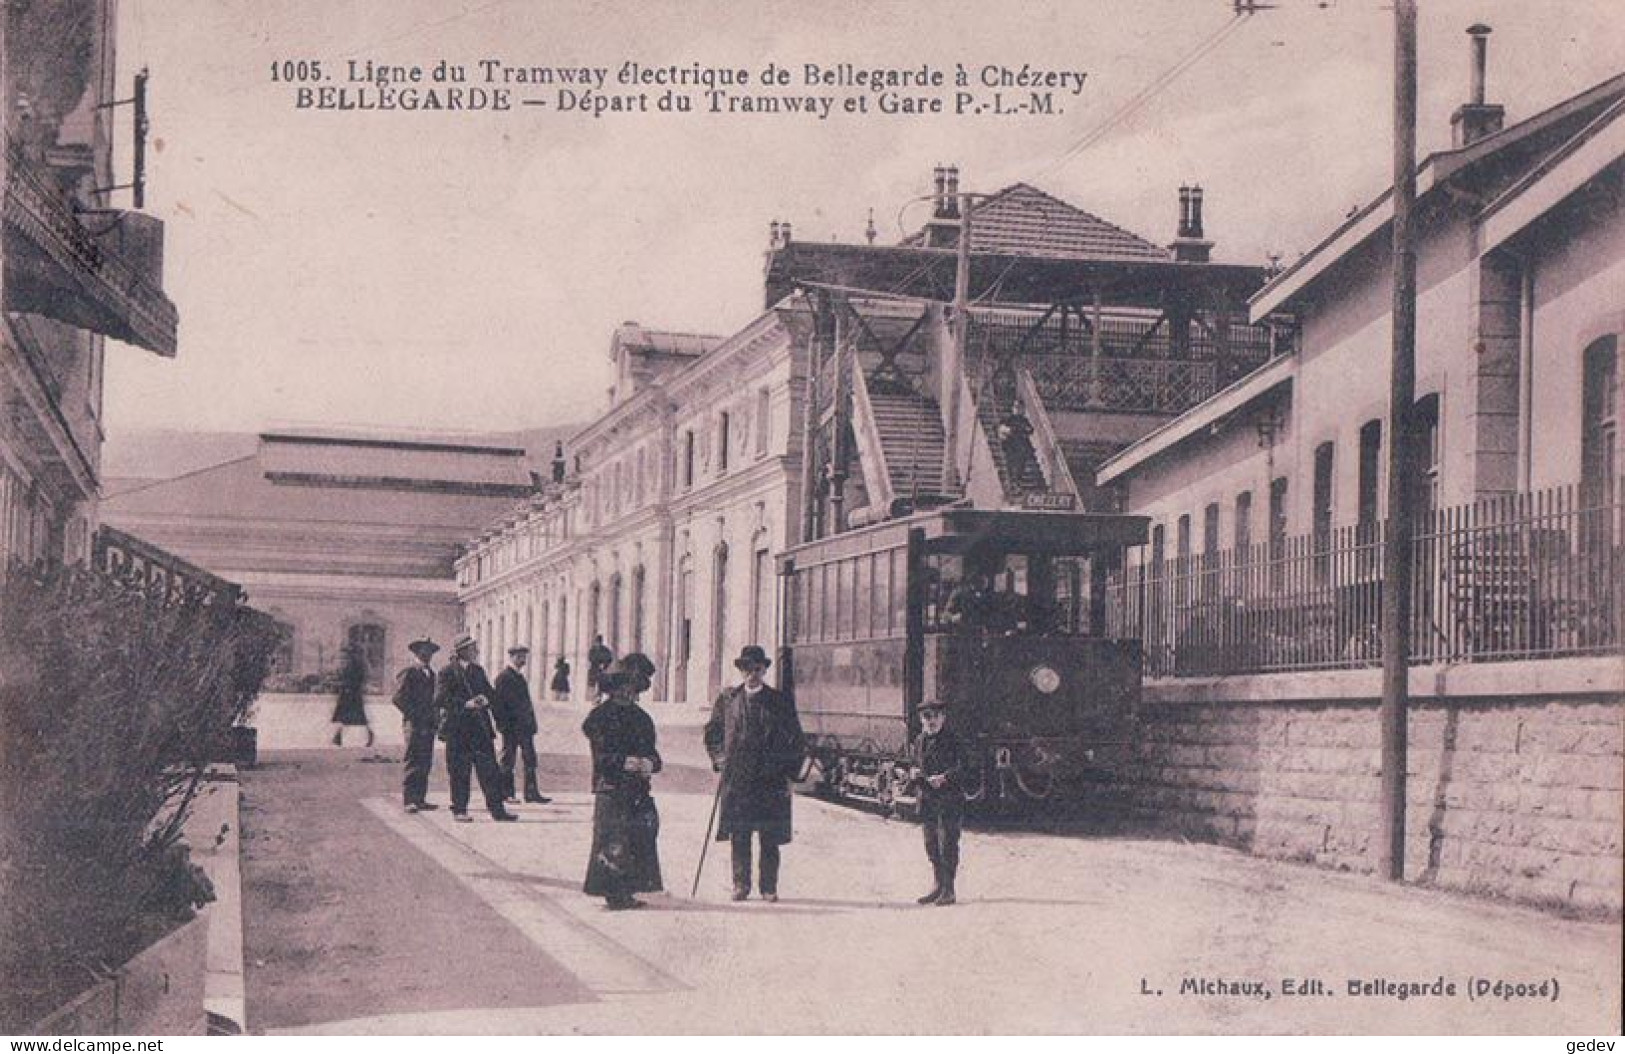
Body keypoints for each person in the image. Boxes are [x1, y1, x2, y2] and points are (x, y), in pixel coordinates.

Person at [703, 645, 806, 902]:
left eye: (757, 669)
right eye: (747, 669)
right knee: (740, 833)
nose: (752, 674)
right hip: (738, 778)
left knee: (769, 836)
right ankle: (741, 884)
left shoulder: (779, 701)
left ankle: (768, 887)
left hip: (770, 780)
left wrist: (790, 774)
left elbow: (796, 739)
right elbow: (713, 733)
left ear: (764, 670)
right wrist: (719, 757)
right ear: (740, 671)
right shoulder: (728, 699)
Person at [581, 654, 663, 911]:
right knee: (613, 840)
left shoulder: (642, 718)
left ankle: (628, 890)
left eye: (633, 688)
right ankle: (614, 894)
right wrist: (625, 762)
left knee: (639, 835)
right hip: (611, 787)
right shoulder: (600, 717)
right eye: (623, 687)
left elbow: (654, 754)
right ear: (613, 688)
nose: (628, 693)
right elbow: (602, 757)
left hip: (638, 788)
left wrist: (650, 763)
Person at [433, 634, 517, 823]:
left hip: (480, 729)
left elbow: (490, 693)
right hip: (458, 730)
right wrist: (466, 704)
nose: (476, 651)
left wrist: (487, 700)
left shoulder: (478, 671)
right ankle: (459, 810)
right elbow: (440, 699)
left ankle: (497, 810)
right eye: (472, 648)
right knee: (459, 771)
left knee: (490, 771)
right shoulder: (447, 672)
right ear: (461, 651)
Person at [911, 699, 970, 906]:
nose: (932, 721)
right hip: (927, 800)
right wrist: (913, 774)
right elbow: (915, 764)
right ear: (921, 719)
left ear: (943, 718)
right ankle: (937, 885)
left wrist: (945, 777)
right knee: (931, 844)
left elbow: (965, 768)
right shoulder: (919, 740)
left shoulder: (954, 740)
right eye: (927, 717)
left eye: (936, 716)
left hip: (949, 800)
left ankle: (949, 889)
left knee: (948, 844)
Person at [492, 645, 551, 804]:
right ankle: (506, 793)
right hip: (511, 728)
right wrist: (503, 726)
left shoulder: (519, 677)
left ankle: (531, 793)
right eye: (519, 657)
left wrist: (531, 724)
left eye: (524, 657)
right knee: (508, 760)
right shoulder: (503, 677)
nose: (522, 660)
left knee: (530, 759)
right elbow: (498, 706)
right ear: (511, 657)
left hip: (525, 727)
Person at [392, 636, 442, 813]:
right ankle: (409, 800)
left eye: (429, 651)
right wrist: (414, 716)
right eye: (423, 650)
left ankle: (420, 799)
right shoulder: (409, 672)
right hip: (414, 725)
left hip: (428, 726)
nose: (427, 654)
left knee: (425, 762)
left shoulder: (431, 674)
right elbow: (398, 698)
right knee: (413, 761)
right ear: (416, 652)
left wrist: (435, 718)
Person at [329, 645, 374, 748]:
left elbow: (357, 679)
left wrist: (345, 684)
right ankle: (338, 737)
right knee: (345, 716)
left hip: (352, 694)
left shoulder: (356, 665)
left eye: (347, 655)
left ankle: (369, 734)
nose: (345, 657)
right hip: (348, 693)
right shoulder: (353, 664)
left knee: (356, 717)